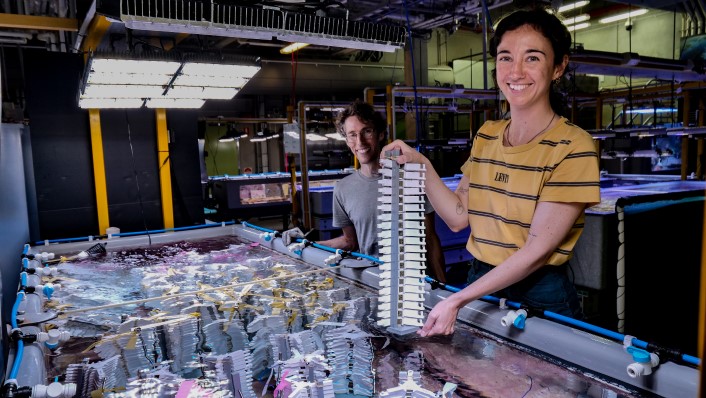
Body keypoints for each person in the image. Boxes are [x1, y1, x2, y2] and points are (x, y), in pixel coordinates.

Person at [381, 8, 600, 336]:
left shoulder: (574, 146)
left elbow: (535, 252)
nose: (516, 71)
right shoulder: (487, 135)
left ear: (558, 67)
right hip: (481, 279)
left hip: (539, 292)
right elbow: (458, 217)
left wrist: (458, 300)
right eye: (505, 58)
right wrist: (420, 164)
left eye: (533, 58)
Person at [298, 100, 446, 282]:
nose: (359, 141)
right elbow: (350, 241)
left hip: (414, 285)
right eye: (352, 135)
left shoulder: (410, 178)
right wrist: (306, 243)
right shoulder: (342, 189)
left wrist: (442, 286)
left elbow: (429, 238)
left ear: (381, 134)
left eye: (366, 131)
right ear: (347, 141)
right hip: (372, 283)